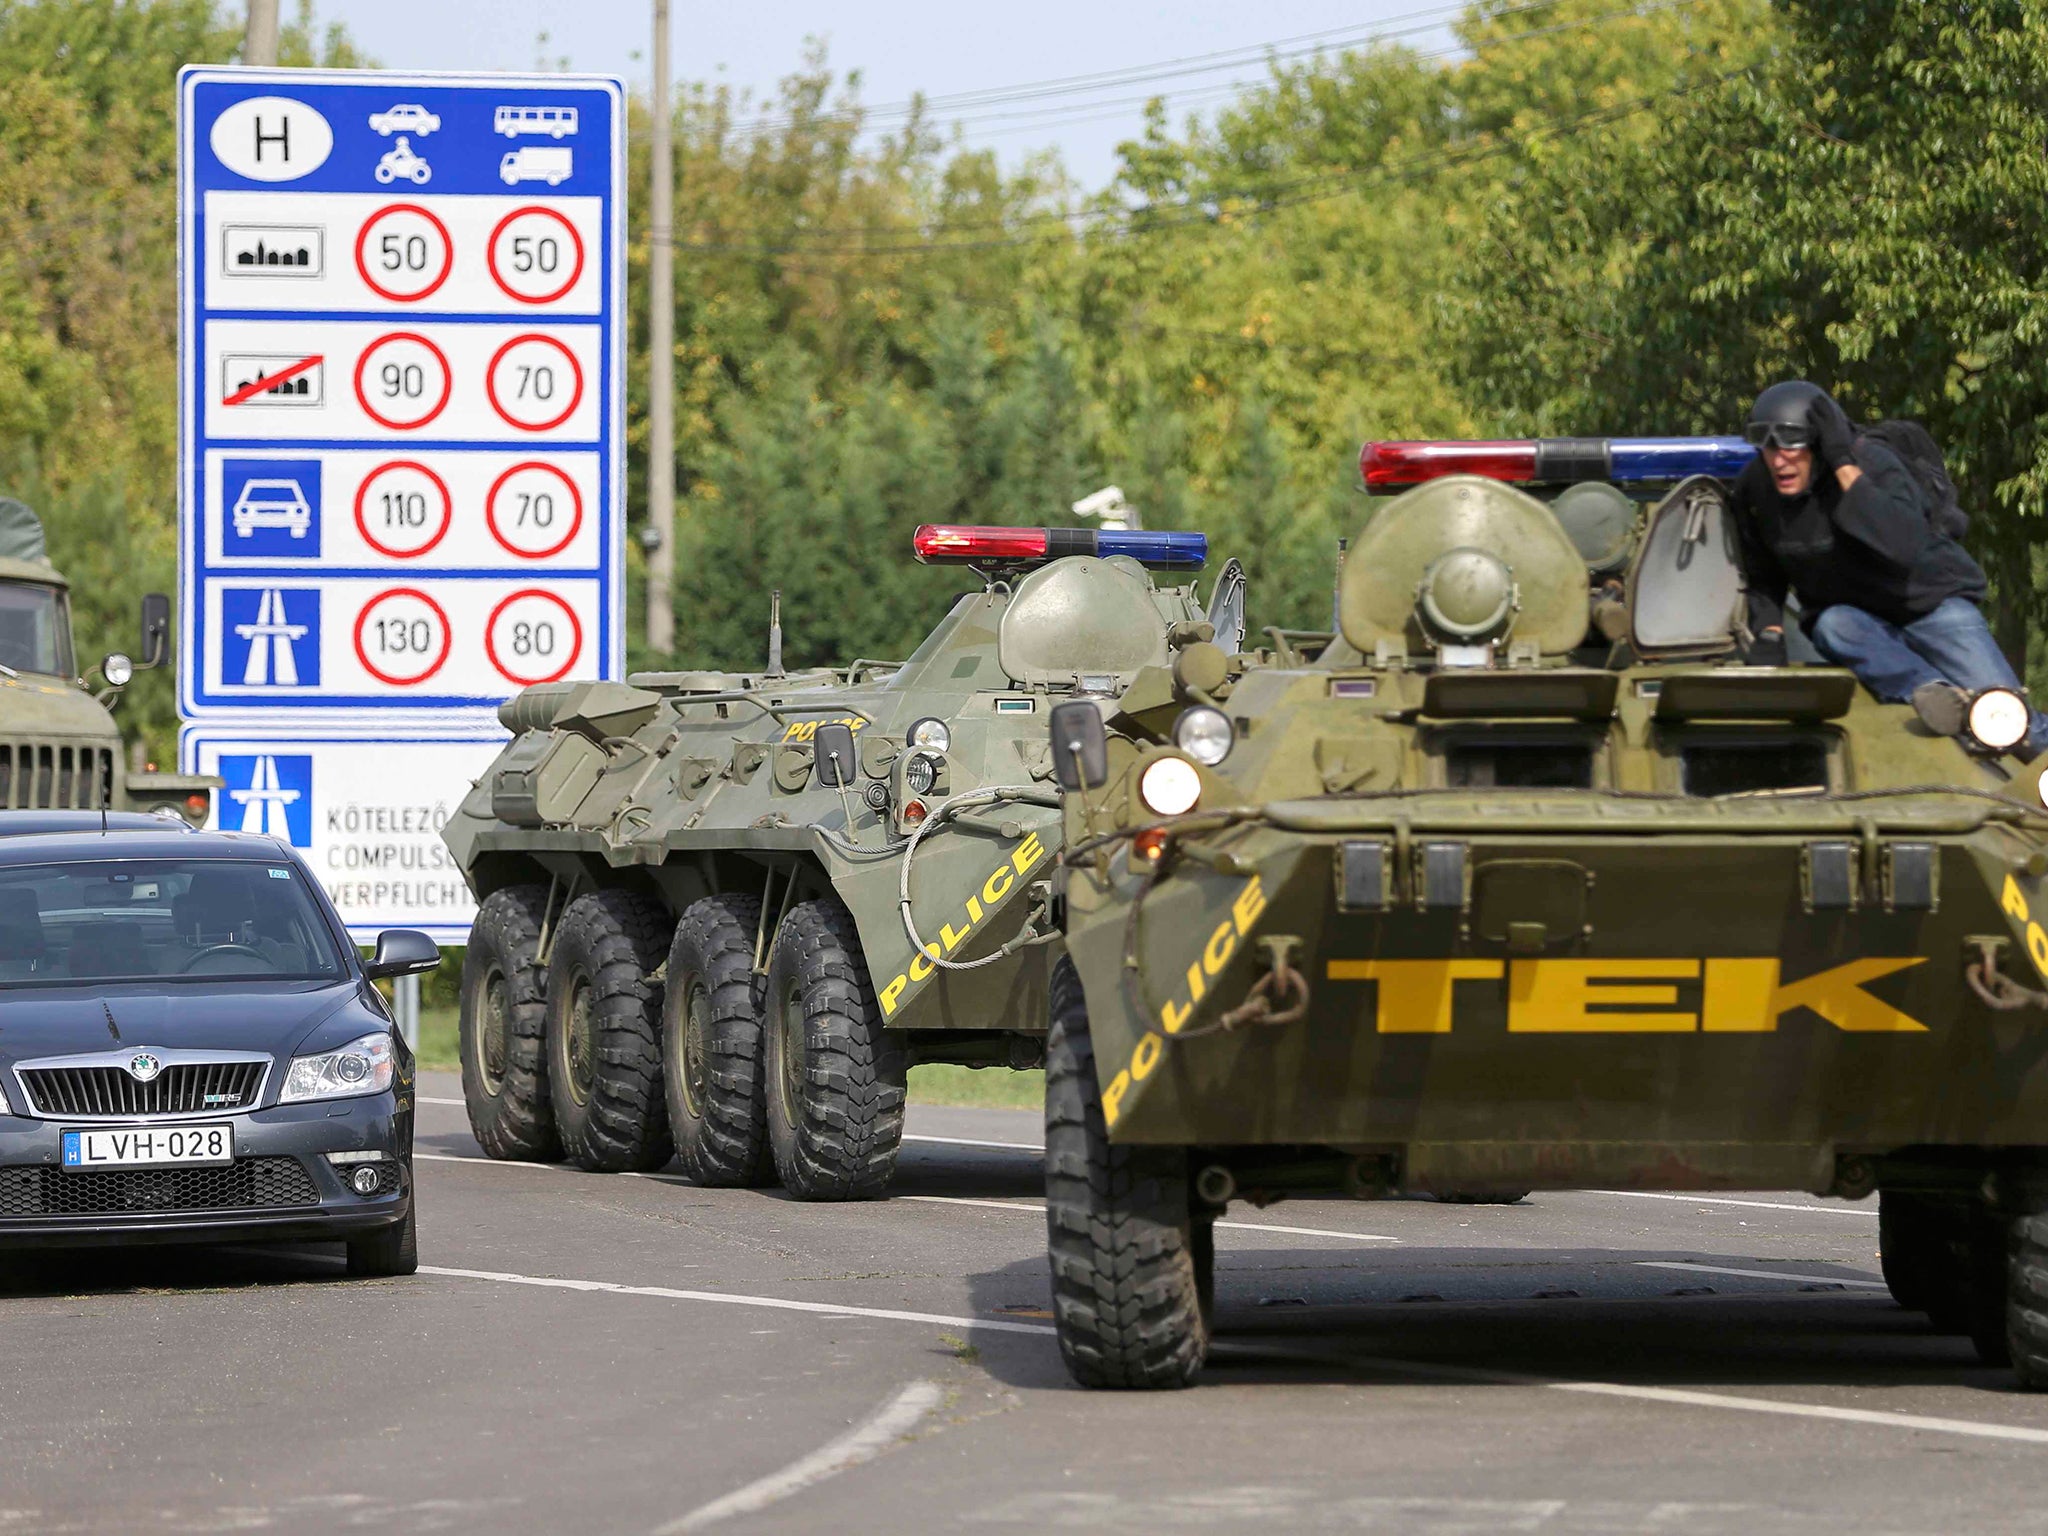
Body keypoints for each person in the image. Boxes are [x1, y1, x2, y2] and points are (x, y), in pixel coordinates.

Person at [1731, 380, 2047, 758]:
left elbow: (1901, 543)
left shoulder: (1873, 462)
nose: (1778, 461)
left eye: (1790, 446)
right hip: (1857, 622)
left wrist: (1843, 464)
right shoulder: (1755, 491)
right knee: (1832, 625)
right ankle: (1942, 699)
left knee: (2018, 727)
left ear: (1818, 443)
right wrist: (1769, 632)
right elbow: (1763, 573)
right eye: (1767, 448)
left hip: (1930, 605)